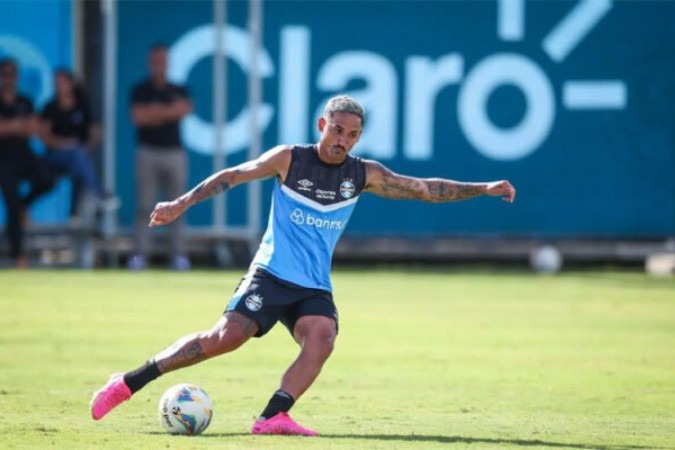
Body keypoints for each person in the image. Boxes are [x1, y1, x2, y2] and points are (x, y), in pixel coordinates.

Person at [90, 95, 516, 435]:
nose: (342, 140)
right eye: (337, 129)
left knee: (323, 337)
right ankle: (128, 383)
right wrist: (181, 203)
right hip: (271, 273)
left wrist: (484, 188)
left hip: (312, 285)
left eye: (352, 134)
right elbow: (234, 175)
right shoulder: (290, 159)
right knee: (225, 338)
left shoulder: (363, 173)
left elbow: (426, 189)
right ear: (321, 126)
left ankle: (273, 417)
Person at [128, 44, 192, 271]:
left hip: (174, 152)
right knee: (145, 206)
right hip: (148, 151)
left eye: (162, 60)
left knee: (179, 205)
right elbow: (139, 117)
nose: (159, 64)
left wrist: (154, 112)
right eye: (155, 60)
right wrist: (167, 111)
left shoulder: (178, 89)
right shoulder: (141, 90)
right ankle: (140, 255)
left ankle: (178, 256)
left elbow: (183, 109)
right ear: (149, 62)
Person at [38, 69, 118, 221]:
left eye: (61, 83)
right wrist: (64, 144)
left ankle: (75, 215)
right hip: (55, 156)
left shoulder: (82, 105)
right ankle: (98, 193)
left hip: (77, 157)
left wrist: (88, 146)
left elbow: (94, 131)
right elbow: (44, 136)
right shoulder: (50, 108)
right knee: (76, 153)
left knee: (79, 164)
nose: (58, 86)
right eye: (56, 83)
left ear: (71, 84)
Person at [0, 58, 55, 268]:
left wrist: (10, 126)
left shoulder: (24, 101)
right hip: (3, 159)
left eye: (12, 74)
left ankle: (25, 204)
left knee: (48, 178)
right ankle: (18, 256)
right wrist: (17, 125)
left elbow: (33, 127)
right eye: (5, 74)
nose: (8, 78)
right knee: (12, 205)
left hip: (24, 155)